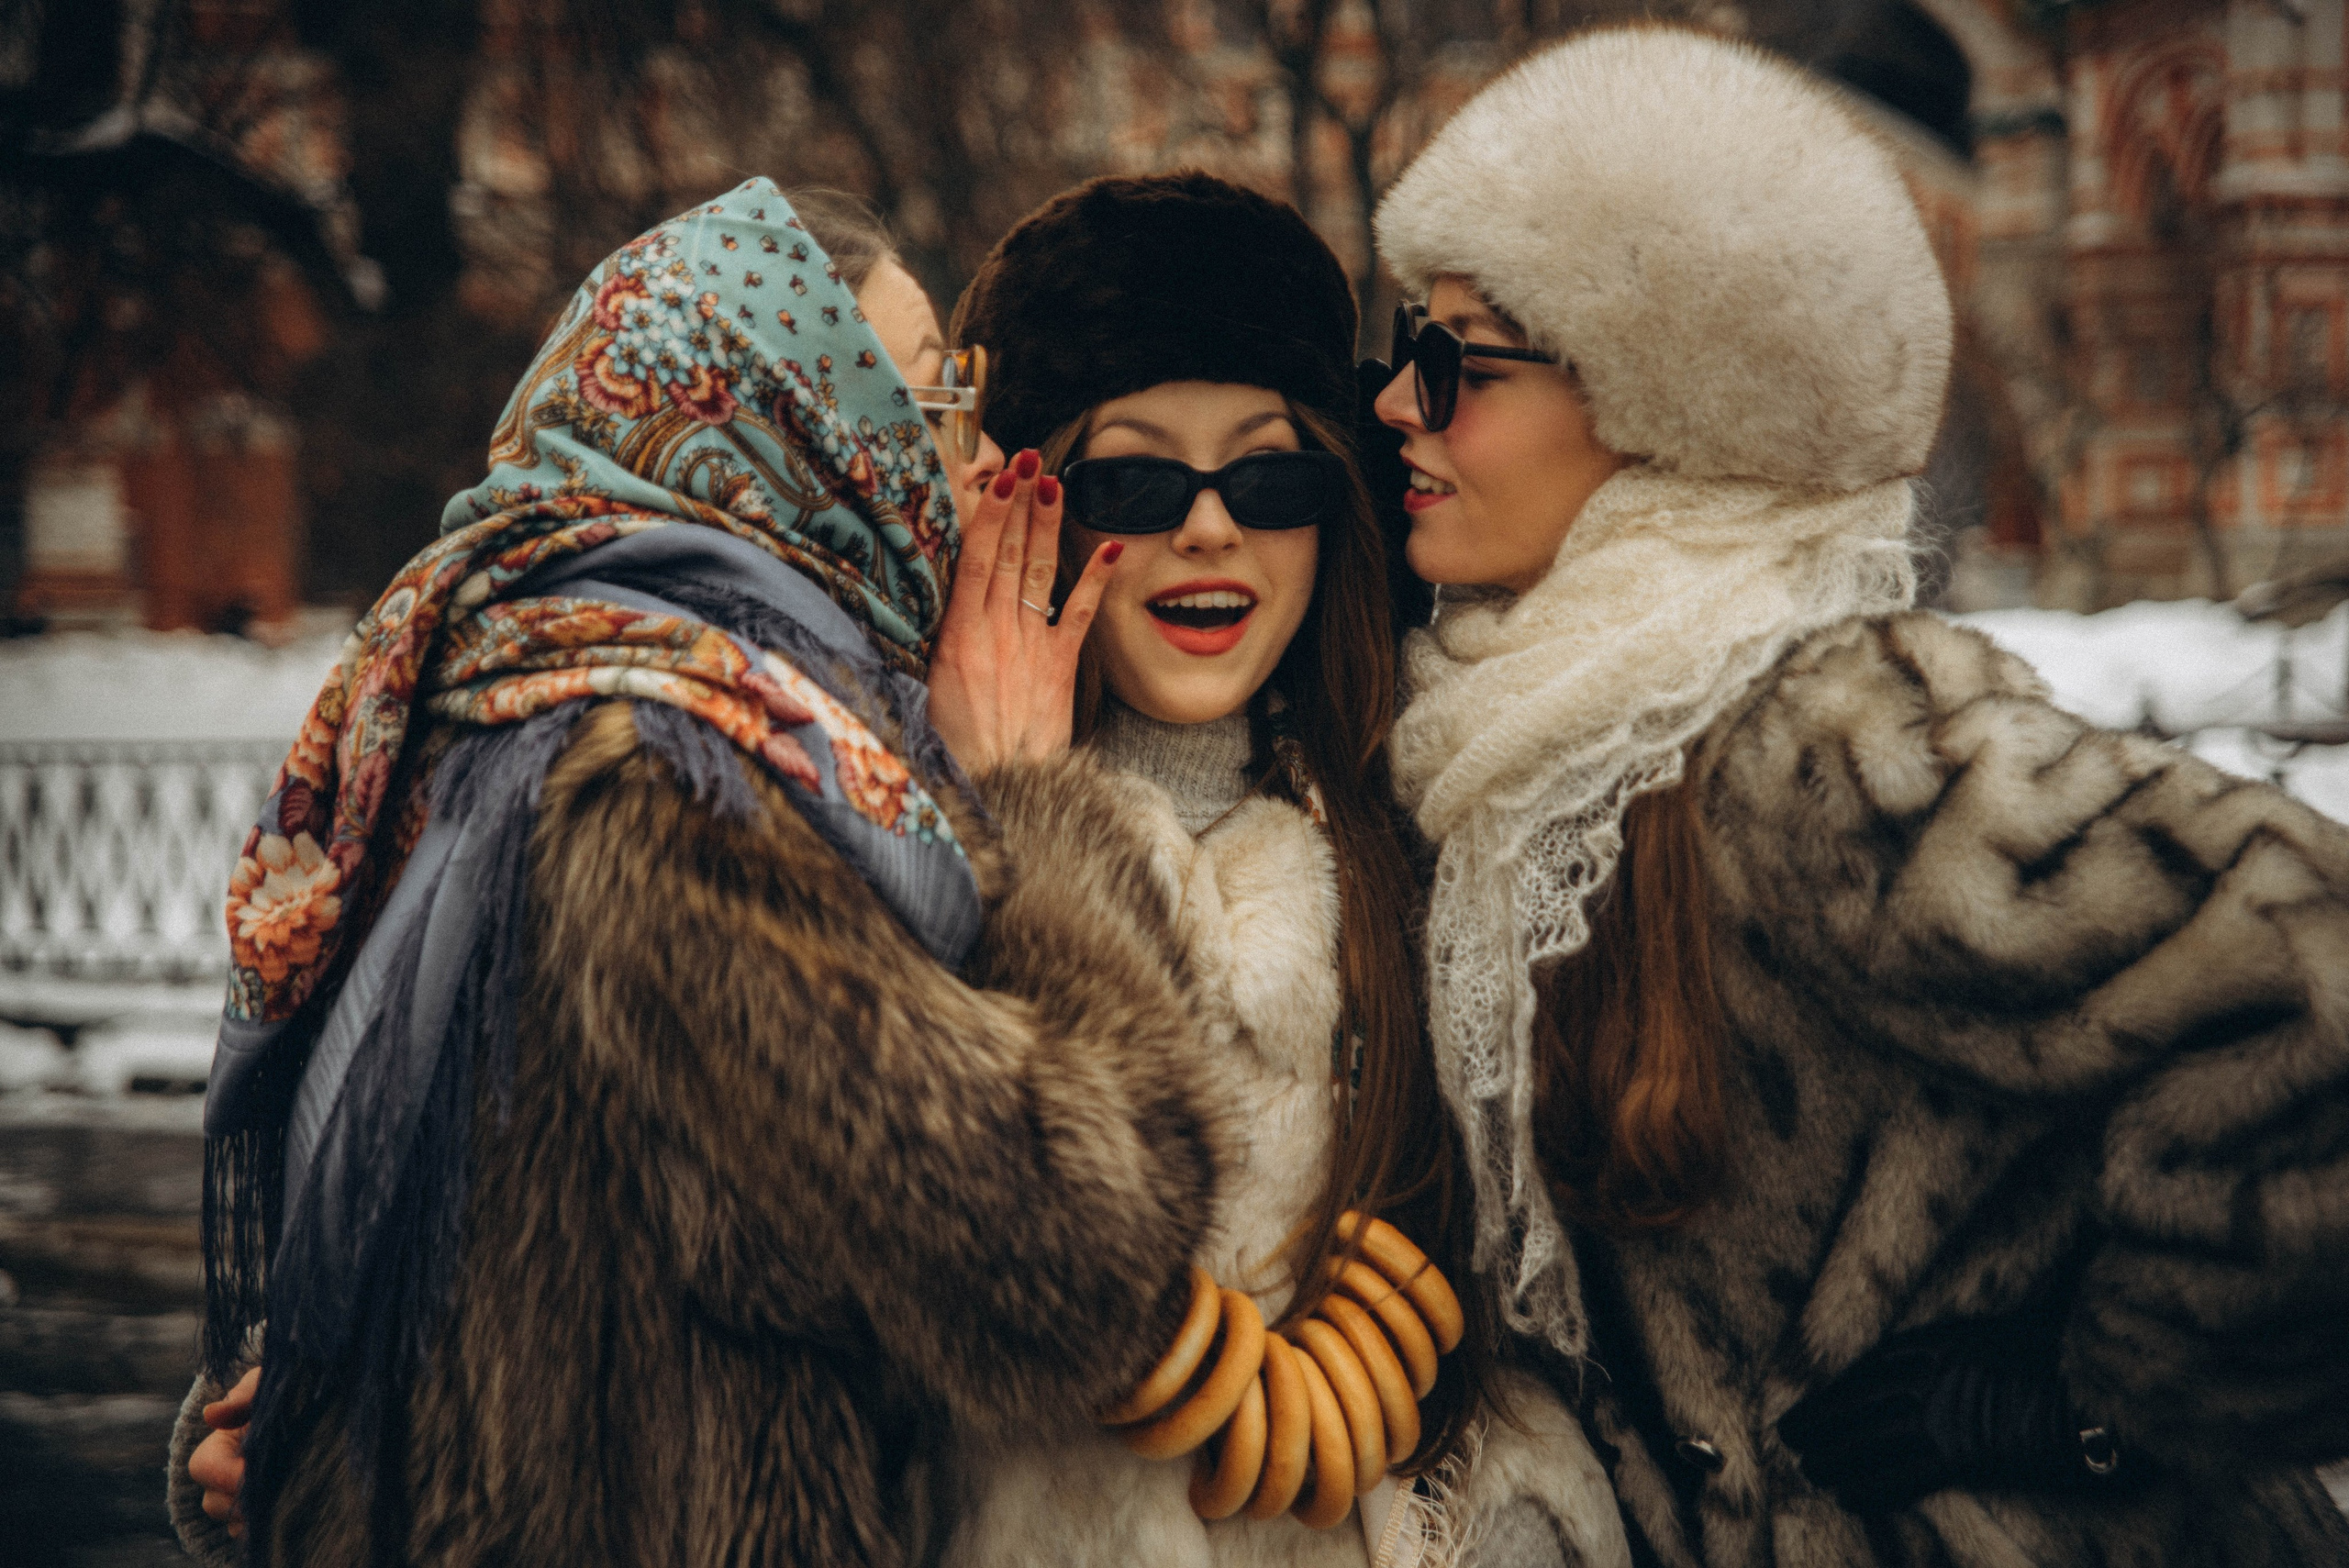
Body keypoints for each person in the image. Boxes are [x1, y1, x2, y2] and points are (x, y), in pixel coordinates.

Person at [1365, 27, 2349, 1568]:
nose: (1395, 408)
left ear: (1658, 393)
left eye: (1456, 363)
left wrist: (2072, 1405)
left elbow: (2317, 982)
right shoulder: (1529, 748)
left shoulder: (1818, 741)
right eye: (1398, 348)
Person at [168, 178, 1241, 1567]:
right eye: (931, 407)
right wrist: (1032, 800)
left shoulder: (486, 696)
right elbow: (1081, 1262)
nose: (977, 468)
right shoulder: (685, 788)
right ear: (788, 429)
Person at [930, 170, 1624, 1566]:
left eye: (1267, 475)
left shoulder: (1436, 850)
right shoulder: (912, 850)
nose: (1208, 526)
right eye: (1131, 479)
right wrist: (1021, 819)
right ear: (1032, 505)